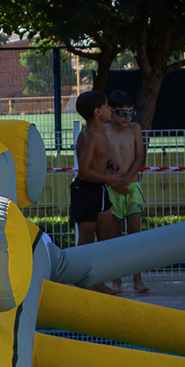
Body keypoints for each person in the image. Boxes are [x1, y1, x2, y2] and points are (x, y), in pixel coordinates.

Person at [72, 90, 130, 294]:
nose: (110, 109)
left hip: (100, 189)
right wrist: (111, 180)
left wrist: (110, 164)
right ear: (97, 111)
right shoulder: (88, 136)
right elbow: (84, 171)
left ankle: (98, 280)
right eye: (107, 106)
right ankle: (82, 279)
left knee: (105, 237)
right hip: (86, 191)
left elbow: (99, 160)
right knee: (86, 239)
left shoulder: (101, 132)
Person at [102, 90, 149, 293]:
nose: (127, 118)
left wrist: (127, 180)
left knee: (135, 236)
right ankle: (116, 280)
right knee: (114, 237)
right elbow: (100, 160)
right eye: (122, 113)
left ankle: (137, 279)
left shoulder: (135, 129)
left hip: (131, 186)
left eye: (131, 113)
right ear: (110, 112)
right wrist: (113, 182)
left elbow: (140, 157)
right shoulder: (102, 131)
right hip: (111, 187)